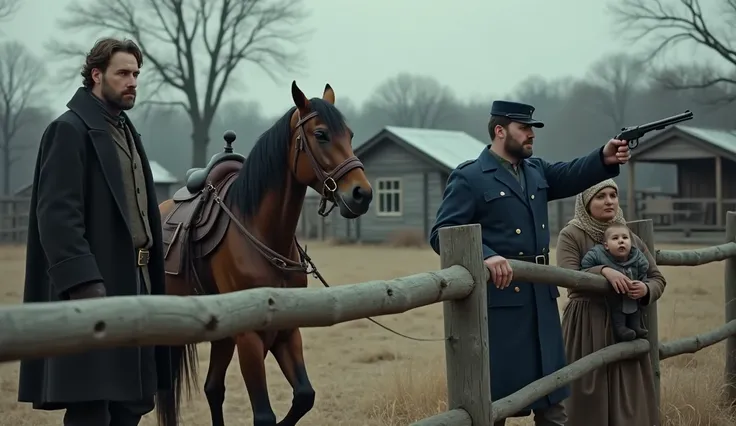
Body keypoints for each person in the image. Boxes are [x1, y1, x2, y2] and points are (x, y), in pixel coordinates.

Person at [429, 100, 631, 426]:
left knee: (552, 399)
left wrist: (603, 157)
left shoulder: (535, 171)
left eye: (532, 129)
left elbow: (571, 173)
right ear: (499, 131)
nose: (530, 135)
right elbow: (441, 233)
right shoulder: (470, 177)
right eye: (524, 129)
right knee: (493, 402)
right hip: (501, 307)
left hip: (541, 298)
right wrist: (487, 254)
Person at [18, 37, 172, 425]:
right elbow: (56, 215)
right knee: (92, 407)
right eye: (123, 73)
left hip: (138, 280)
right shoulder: (69, 130)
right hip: (96, 287)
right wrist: (86, 286)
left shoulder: (123, 130)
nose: (132, 81)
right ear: (96, 75)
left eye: (136, 74)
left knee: (132, 402)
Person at [556, 179, 666, 426]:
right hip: (587, 323)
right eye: (600, 196)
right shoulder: (572, 234)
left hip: (627, 323)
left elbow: (656, 277)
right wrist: (604, 270)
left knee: (628, 396)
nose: (609, 201)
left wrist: (645, 288)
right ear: (585, 203)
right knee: (587, 391)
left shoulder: (628, 236)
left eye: (613, 195)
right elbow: (567, 275)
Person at [580, 222, 649, 342]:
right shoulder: (598, 254)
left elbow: (645, 269)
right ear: (606, 246)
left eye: (625, 238)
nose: (621, 241)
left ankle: (636, 327)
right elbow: (585, 265)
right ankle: (621, 329)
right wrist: (604, 269)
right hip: (614, 297)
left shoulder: (637, 256)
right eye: (615, 238)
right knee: (618, 311)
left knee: (635, 310)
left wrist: (644, 286)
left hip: (633, 295)